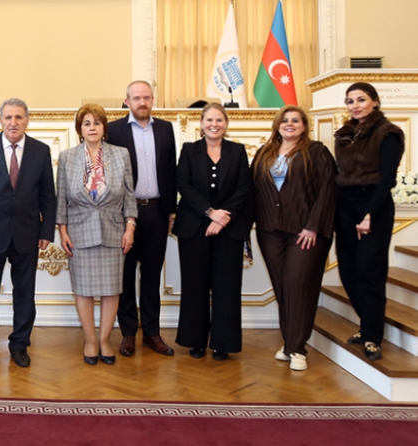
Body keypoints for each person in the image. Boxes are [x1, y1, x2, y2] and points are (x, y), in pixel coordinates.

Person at [0, 98, 57, 369]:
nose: (13, 122)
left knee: (25, 293)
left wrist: (46, 231)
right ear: (1, 120)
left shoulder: (41, 151)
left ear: (27, 120)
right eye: (8, 117)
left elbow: (47, 196)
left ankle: (19, 345)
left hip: (27, 234)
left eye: (18, 117)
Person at [251, 106, 337, 372]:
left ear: (304, 126)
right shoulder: (264, 154)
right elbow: (252, 190)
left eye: (295, 121)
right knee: (283, 288)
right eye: (285, 120)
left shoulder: (317, 152)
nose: (290, 124)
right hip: (269, 231)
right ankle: (290, 342)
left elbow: (328, 190)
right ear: (277, 125)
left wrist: (313, 226)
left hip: (306, 233)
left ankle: (298, 349)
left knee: (299, 286)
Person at [57, 104, 137, 365]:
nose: (92, 127)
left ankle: (105, 340)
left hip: (114, 231)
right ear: (80, 129)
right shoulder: (67, 157)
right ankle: (90, 340)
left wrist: (130, 227)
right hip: (79, 232)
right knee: (83, 289)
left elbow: (129, 195)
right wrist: (62, 230)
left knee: (112, 290)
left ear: (104, 128)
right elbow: (61, 199)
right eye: (86, 123)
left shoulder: (121, 155)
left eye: (97, 123)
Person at [172, 103, 251, 361]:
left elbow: (244, 188)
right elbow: (183, 183)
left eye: (219, 120)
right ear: (201, 123)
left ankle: (222, 343)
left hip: (229, 229)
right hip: (194, 227)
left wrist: (223, 216)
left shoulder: (238, 151)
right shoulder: (188, 150)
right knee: (195, 285)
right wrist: (209, 212)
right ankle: (195, 340)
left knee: (226, 287)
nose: (214, 124)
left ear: (226, 123)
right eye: (209, 120)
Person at [105, 80, 178, 357]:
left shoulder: (165, 128)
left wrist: (171, 211)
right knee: (124, 276)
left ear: (153, 99)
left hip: (157, 212)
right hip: (125, 215)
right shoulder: (113, 130)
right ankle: (127, 334)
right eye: (136, 98)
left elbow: (170, 171)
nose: (142, 102)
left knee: (151, 276)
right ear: (127, 101)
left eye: (146, 97)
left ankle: (152, 332)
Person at [334, 82, 404, 361]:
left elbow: (387, 179)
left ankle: (373, 336)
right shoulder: (344, 133)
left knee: (369, 271)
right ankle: (367, 324)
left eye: (361, 99)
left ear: (375, 100)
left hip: (373, 206)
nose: (355, 105)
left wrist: (369, 215)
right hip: (345, 205)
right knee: (348, 271)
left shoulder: (389, 133)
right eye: (350, 101)